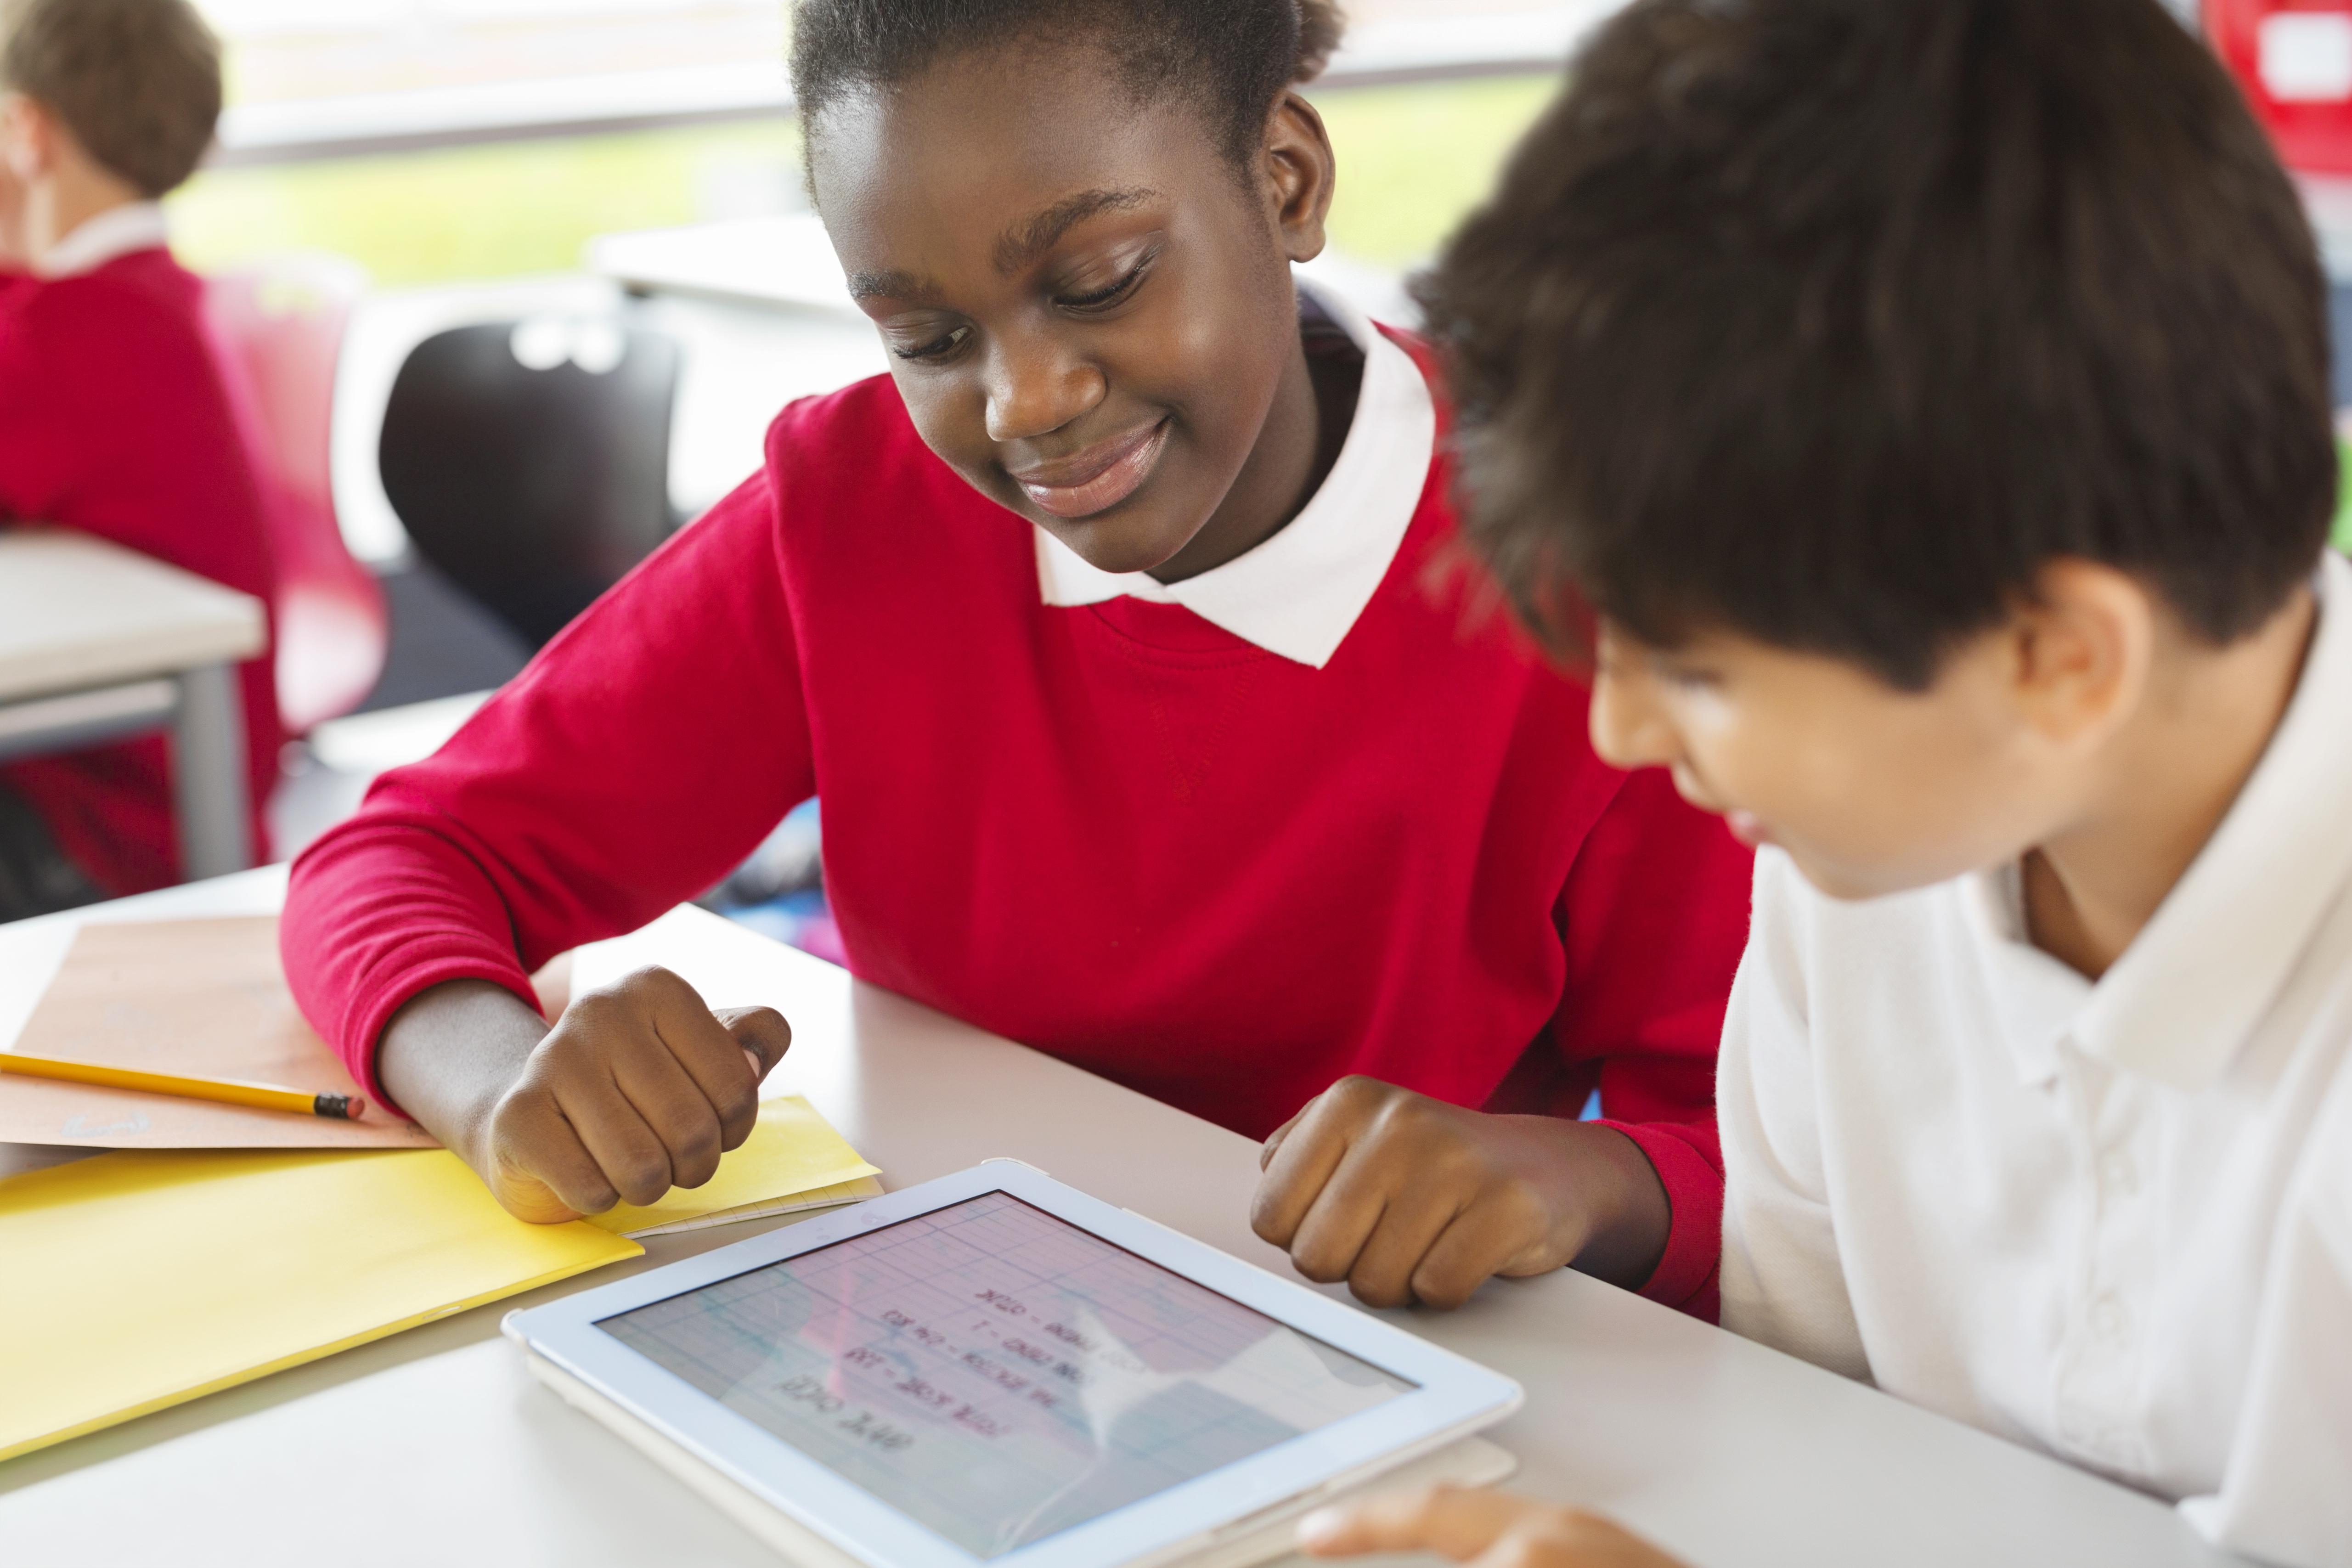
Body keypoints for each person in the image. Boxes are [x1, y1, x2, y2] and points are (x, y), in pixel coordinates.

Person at [280, 0, 1754, 1316]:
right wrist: (498, 1086)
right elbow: (402, 856)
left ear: (1285, 180)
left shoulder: (1594, 567)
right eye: (927, 337)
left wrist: (1574, 1179)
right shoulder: (854, 504)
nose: (1025, 402)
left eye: (1101, 280)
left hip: (1397, 1366)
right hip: (941, 1332)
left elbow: (1758, 1148)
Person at [1298, 0, 2352, 1563]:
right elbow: (1800, 1446)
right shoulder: (1857, 863)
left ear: (2060, 658)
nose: (1621, 733)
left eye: (1699, 672)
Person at [0, 0, 280, 914]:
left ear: (28, 132)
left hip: (113, 835)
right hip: (169, 794)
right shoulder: (148, 299)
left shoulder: (65, 337)